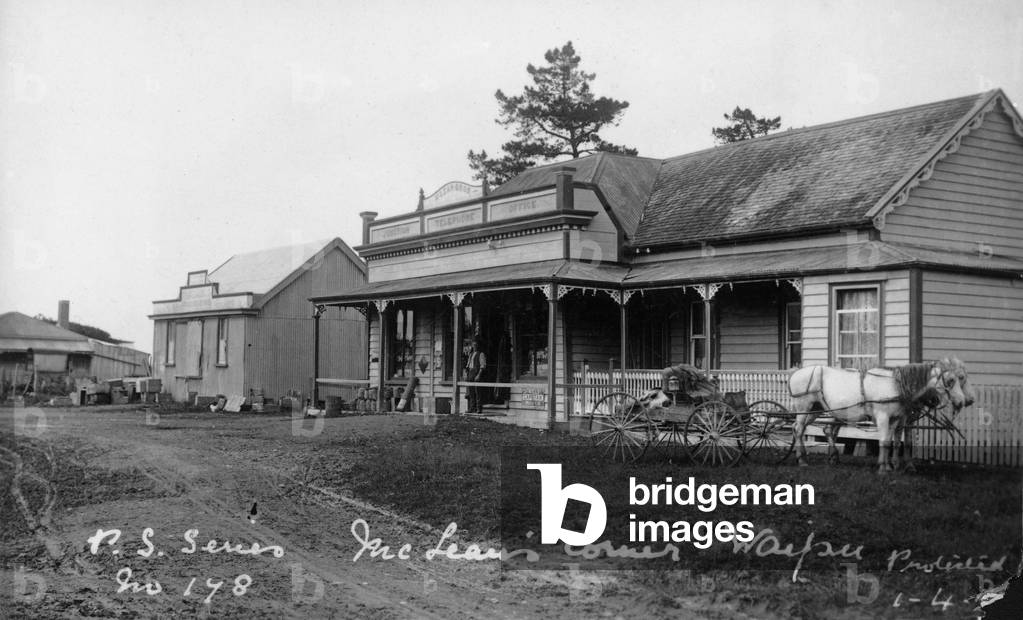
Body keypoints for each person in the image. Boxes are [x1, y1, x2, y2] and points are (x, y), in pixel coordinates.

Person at [465, 339, 487, 413]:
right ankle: (472, 408)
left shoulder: (481, 354)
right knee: (471, 392)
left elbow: (482, 366)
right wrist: (466, 374)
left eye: (476, 345)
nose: (474, 346)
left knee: (478, 391)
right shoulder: (471, 354)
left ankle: (479, 408)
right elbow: (468, 365)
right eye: (473, 345)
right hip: (470, 373)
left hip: (476, 372)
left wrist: (478, 375)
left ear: (478, 345)